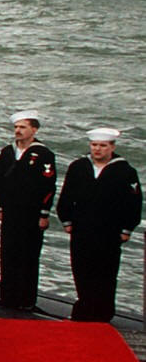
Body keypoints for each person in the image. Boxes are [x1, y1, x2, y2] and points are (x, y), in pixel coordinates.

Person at [56, 127, 141, 322]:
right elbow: (67, 195)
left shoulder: (125, 171)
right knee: (81, 269)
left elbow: (134, 203)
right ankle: (83, 309)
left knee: (105, 272)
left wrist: (127, 228)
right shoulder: (78, 167)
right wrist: (66, 219)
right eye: (94, 145)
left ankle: (103, 313)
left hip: (109, 230)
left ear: (112, 147)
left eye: (103, 146)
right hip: (82, 228)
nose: (98, 149)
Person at [0, 110, 56, 311]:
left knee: (28, 254)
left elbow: (48, 185)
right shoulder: (8, 152)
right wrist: (0, 205)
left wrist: (44, 213)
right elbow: (0, 180)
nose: (18, 131)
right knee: (8, 252)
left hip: (32, 212)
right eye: (16, 127)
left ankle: (27, 300)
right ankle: (8, 297)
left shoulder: (44, 154)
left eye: (23, 127)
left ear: (34, 130)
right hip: (10, 209)